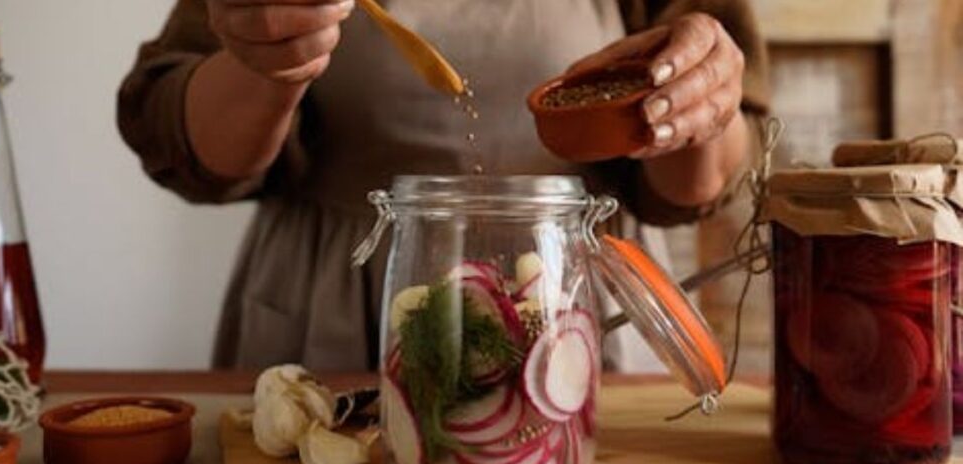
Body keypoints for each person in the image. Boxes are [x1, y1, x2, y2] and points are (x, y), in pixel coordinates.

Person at [118, 0, 769, 372]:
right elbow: (179, 138)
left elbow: (700, 183)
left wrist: (696, 101)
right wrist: (266, 64)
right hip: (339, 317)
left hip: (570, 309)